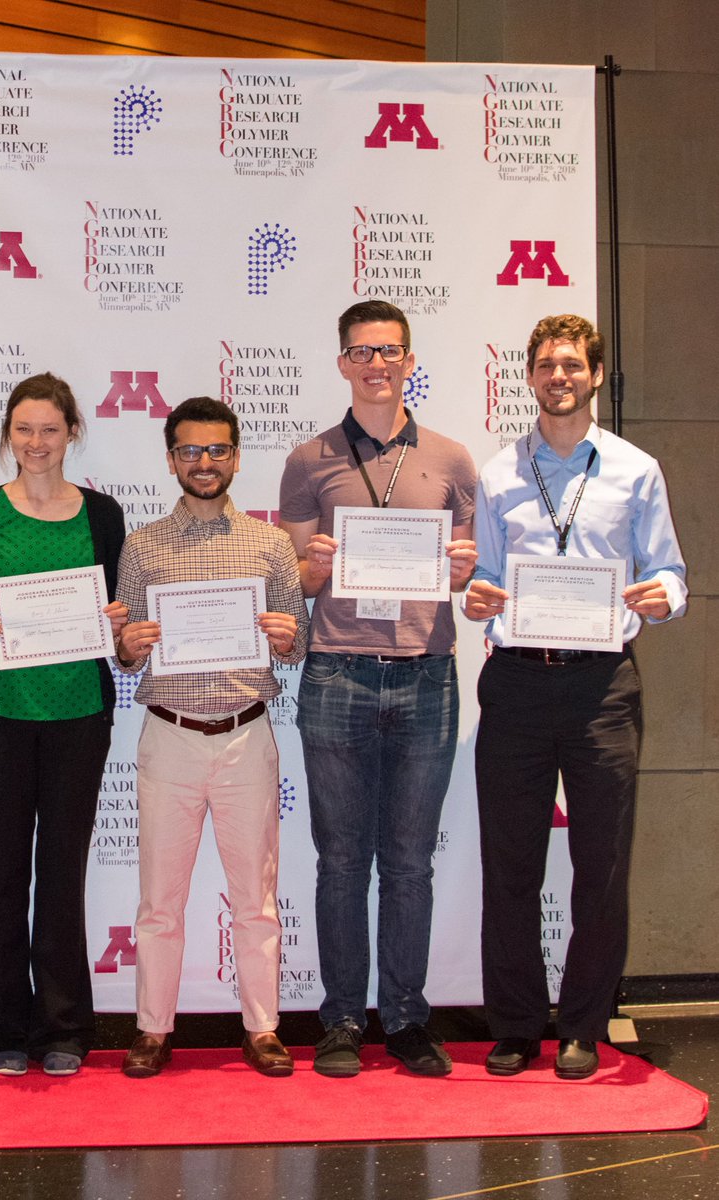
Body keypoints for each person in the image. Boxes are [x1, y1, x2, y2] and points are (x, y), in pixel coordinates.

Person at [464, 313, 687, 1081]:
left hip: (601, 685)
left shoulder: (635, 469)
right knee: (509, 861)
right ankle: (516, 1025)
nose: (558, 376)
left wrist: (664, 598)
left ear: (593, 375)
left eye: (572, 364)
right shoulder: (497, 473)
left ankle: (584, 1024)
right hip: (517, 681)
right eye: (545, 364)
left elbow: (671, 573)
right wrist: (478, 598)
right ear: (527, 377)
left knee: (600, 862)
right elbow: (483, 579)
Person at [278, 299, 477, 1078]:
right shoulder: (308, 459)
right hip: (336, 673)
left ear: (408, 360)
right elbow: (295, 580)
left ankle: (405, 1018)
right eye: (361, 352)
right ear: (341, 363)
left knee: (408, 862)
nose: (376, 365)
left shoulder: (452, 460)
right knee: (338, 861)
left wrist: (464, 574)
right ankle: (338, 1020)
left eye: (389, 351)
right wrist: (313, 570)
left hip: (426, 674)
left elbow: (468, 569)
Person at [115, 396, 308, 1079]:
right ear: (171, 459)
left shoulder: (270, 543)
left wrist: (288, 636)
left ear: (234, 456)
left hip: (243, 735)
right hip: (168, 736)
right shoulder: (141, 546)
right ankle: (151, 1029)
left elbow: (295, 643)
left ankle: (261, 1028)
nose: (204, 462)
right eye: (190, 451)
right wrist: (128, 644)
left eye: (217, 450)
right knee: (158, 900)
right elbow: (127, 652)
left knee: (254, 897)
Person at [0, 372, 127, 1078]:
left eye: (49, 430)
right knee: (0, 873)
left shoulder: (103, 515)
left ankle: (63, 1026)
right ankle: (2, 1028)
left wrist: (116, 624)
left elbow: (117, 612)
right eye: (24, 429)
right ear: (7, 434)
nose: (36, 443)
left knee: (62, 874)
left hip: (78, 715)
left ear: (72, 434)